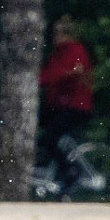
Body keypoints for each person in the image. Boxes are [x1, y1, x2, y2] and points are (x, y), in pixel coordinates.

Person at [38, 15, 95, 190]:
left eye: (58, 34)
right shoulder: (60, 52)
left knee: (50, 138)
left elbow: (65, 74)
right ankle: (51, 170)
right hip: (61, 104)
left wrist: (42, 81)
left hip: (75, 106)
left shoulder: (74, 50)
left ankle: (69, 171)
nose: (55, 38)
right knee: (42, 131)